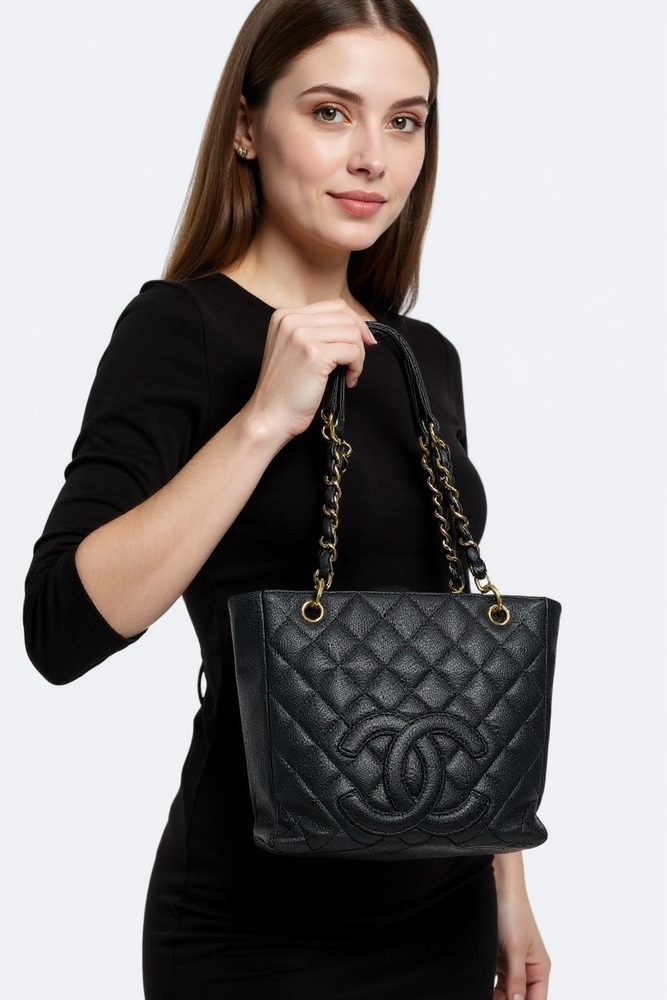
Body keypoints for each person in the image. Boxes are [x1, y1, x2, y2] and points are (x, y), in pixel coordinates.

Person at [23, 1, 551, 997]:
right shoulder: (180, 329)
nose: (373, 157)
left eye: (404, 120)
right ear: (246, 125)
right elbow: (60, 628)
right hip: (254, 932)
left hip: (443, 915)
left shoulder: (422, 358)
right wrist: (264, 418)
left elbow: (450, 630)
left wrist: (508, 877)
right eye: (329, 112)